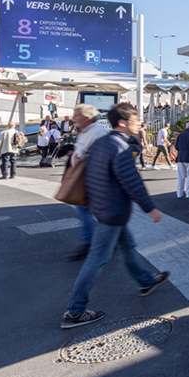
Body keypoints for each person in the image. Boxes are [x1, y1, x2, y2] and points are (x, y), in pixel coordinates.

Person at [60, 103, 169, 329]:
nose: (139, 123)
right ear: (122, 122)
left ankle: (146, 281)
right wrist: (151, 209)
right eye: (135, 119)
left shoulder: (102, 143)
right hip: (113, 212)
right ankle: (75, 311)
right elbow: (132, 182)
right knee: (97, 259)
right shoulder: (120, 147)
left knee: (128, 247)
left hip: (102, 208)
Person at [67, 105, 109, 261]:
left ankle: (89, 243)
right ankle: (116, 238)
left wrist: (83, 158)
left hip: (94, 179)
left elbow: (105, 155)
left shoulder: (98, 132)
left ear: (86, 118)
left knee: (86, 210)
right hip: (85, 178)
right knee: (92, 211)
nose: (73, 118)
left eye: (76, 115)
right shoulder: (84, 132)